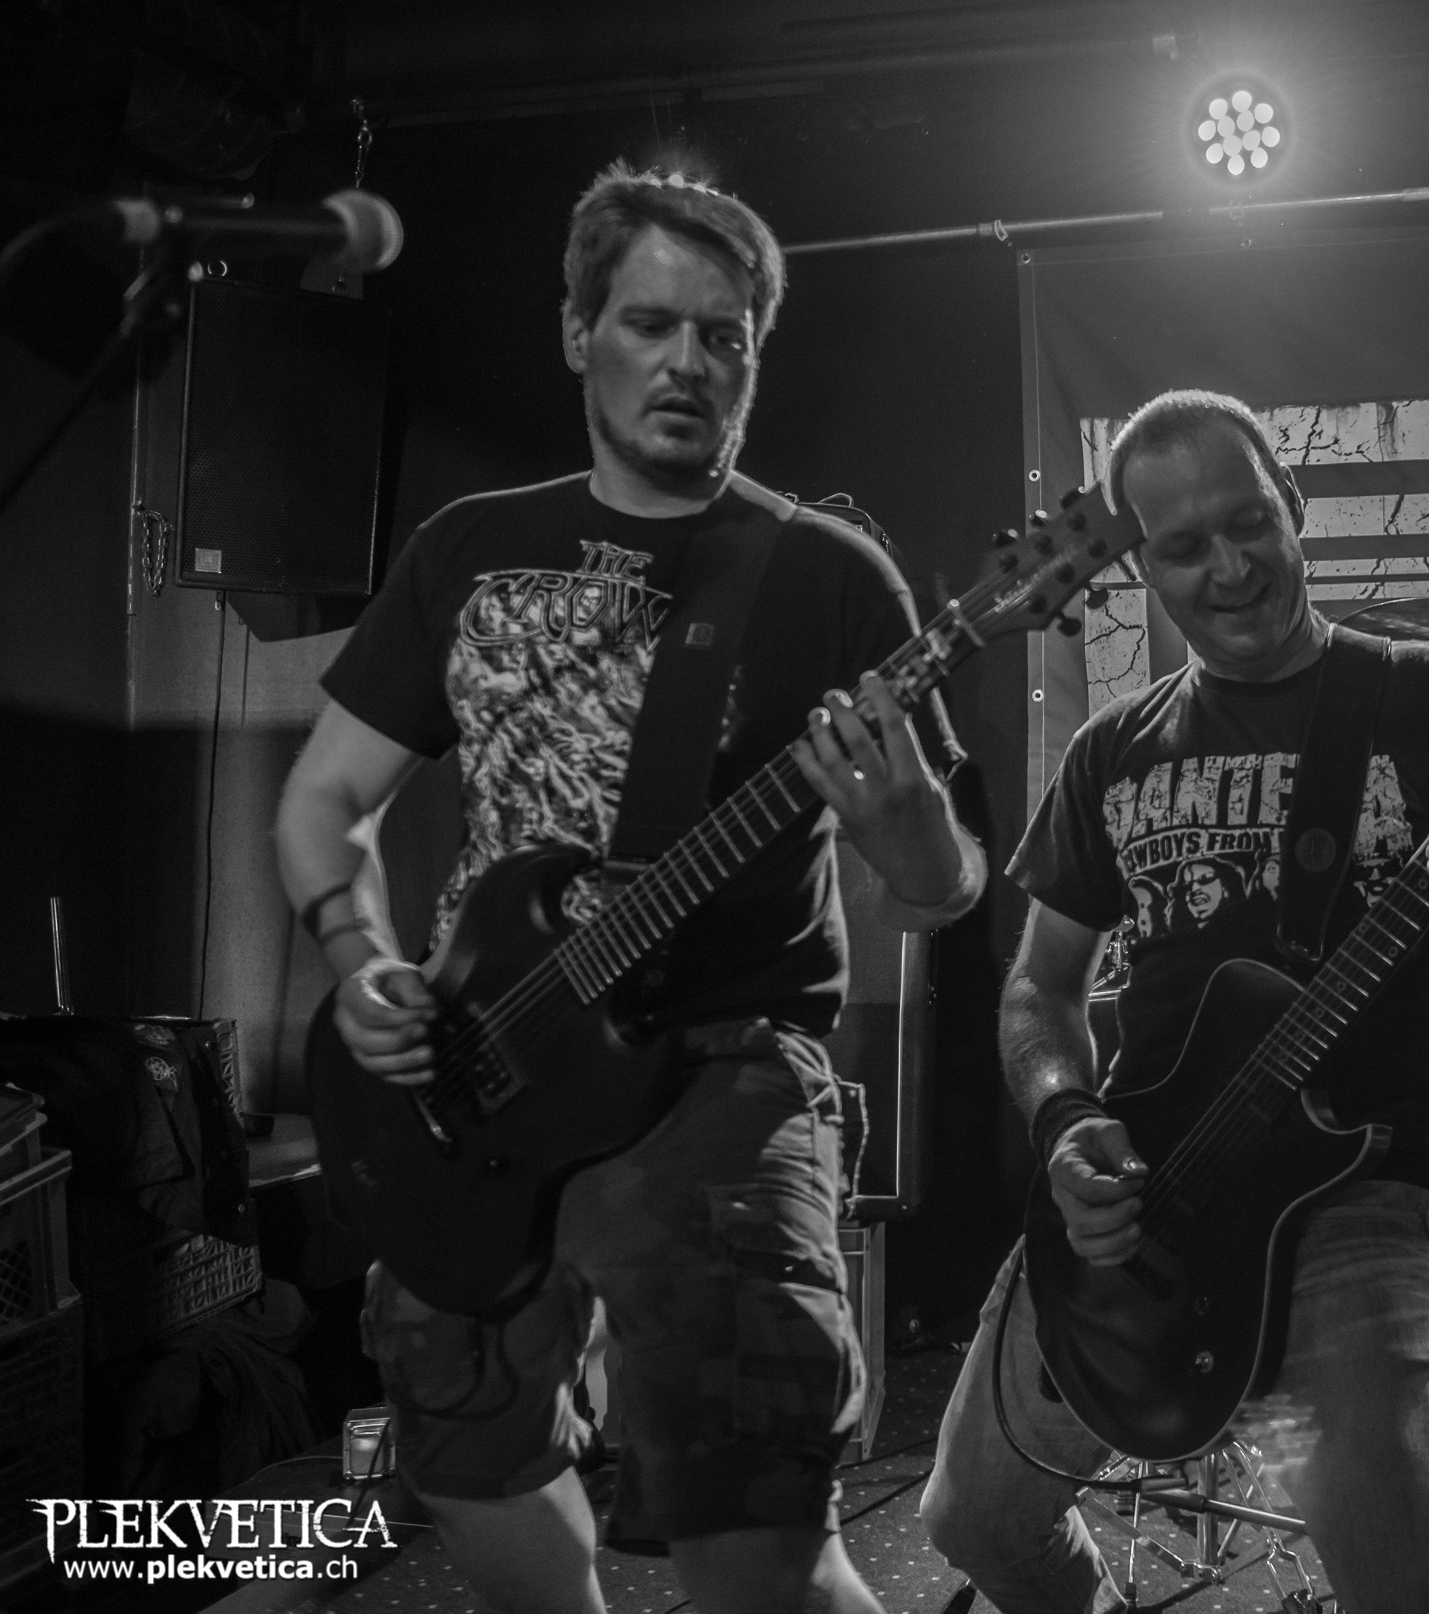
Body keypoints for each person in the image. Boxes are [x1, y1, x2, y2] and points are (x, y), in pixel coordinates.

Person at [273, 163, 984, 1614]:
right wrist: (357, 959)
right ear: (577, 331)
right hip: (479, 1062)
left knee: (757, 1530)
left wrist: (906, 819)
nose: (688, 363)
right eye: (651, 324)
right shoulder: (468, 549)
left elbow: (943, 889)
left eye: (724, 337)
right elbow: (326, 800)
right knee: (467, 1451)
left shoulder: (828, 575)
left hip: (722, 1074)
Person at [920, 390, 1429, 1613]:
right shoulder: (1110, 749)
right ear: (1145, 565)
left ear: (1293, 507)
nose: (1229, 567)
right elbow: (1039, 986)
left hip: (1356, 1196)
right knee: (971, 1516)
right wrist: (1066, 1120)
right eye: (1185, 545)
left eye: (1248, 523)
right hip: (1149, 1192)